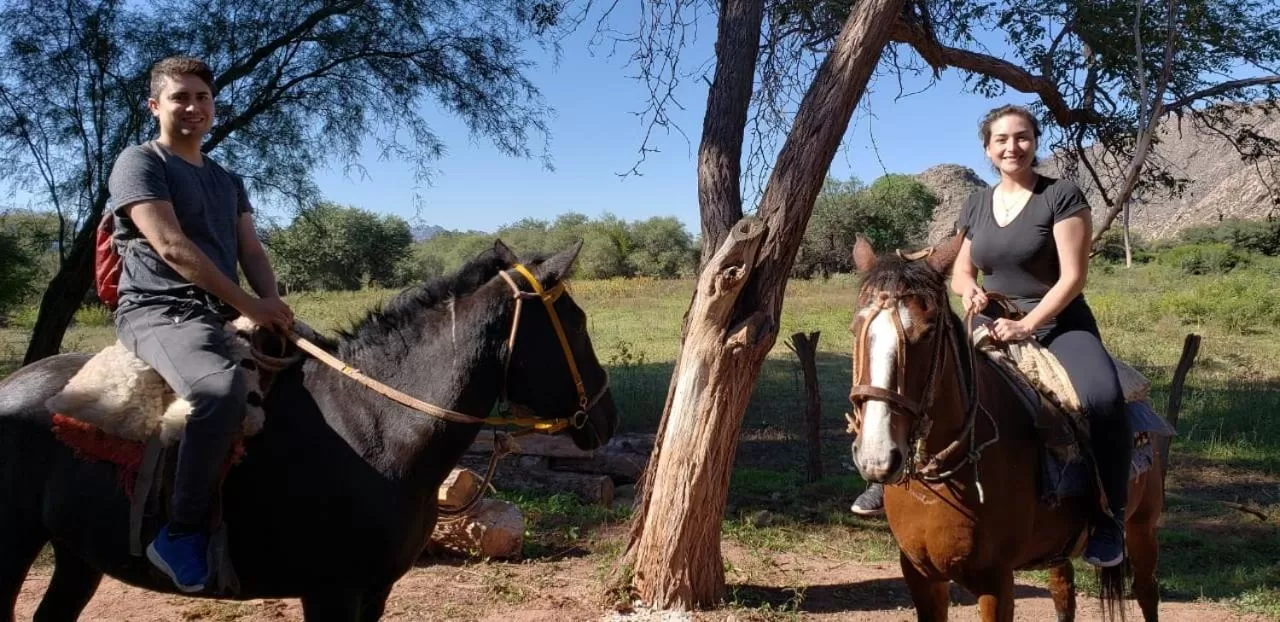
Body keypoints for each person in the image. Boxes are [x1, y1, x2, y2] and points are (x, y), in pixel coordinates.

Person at [106, 56, 294, 592]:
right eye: (179, 97)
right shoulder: (139, 163)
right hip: (157, 310)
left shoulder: (227, 180)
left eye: (202, 98)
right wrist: (248, 306)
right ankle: (181, 532)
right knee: (218, 392)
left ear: (214, 106)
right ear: (155, 106)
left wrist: (272, 304)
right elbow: (171, 246)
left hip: (219, 310)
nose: (192, 107)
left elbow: (251, 249)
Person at [950, 104, 1130, 568]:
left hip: (1057, 323)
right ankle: (890, 478)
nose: (1013, 146)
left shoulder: (1062, 196)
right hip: (990, 320)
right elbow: (961, 272)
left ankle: (1111, 517)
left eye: (1023, 136)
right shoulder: (977, 202)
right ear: (987, 149)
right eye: (1002, 139)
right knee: (927, 383)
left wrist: (1027, 326)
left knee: (1103, 397)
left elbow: (1073, 278)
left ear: (1035, 140)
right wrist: (971, 290)